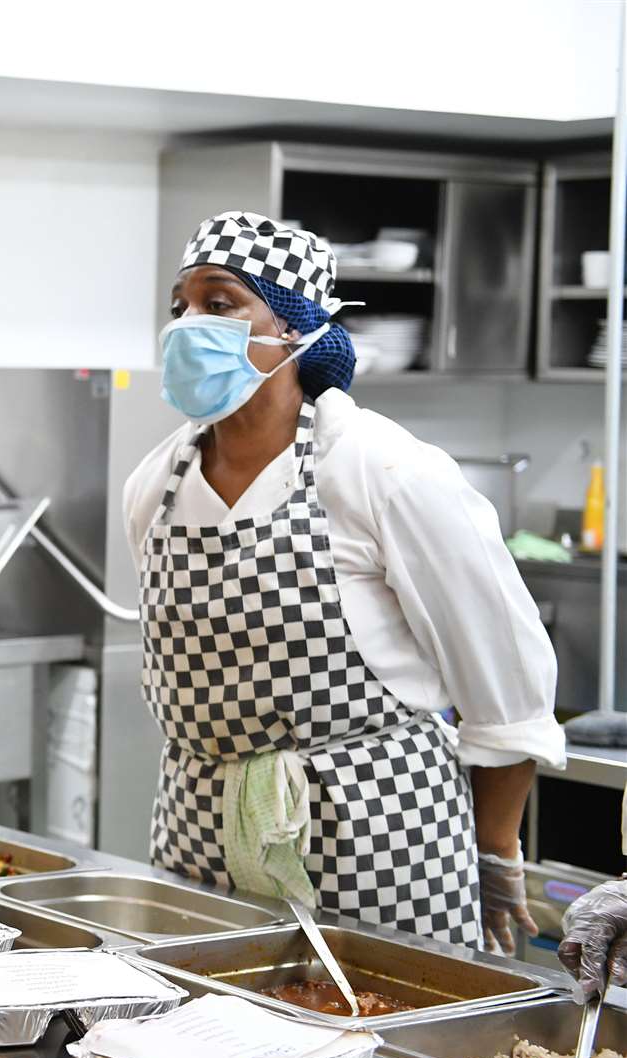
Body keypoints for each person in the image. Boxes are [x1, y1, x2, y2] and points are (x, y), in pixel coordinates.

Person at [123, 210, 565, 951]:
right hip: (200, 828)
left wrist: (495, 853)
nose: (187, 325)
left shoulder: (383, 471)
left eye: (220, 303)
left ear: (293, 328)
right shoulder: (155, 483)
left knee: (382, 1044)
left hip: (375, 834)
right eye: (182, 307)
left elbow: (506, 685)